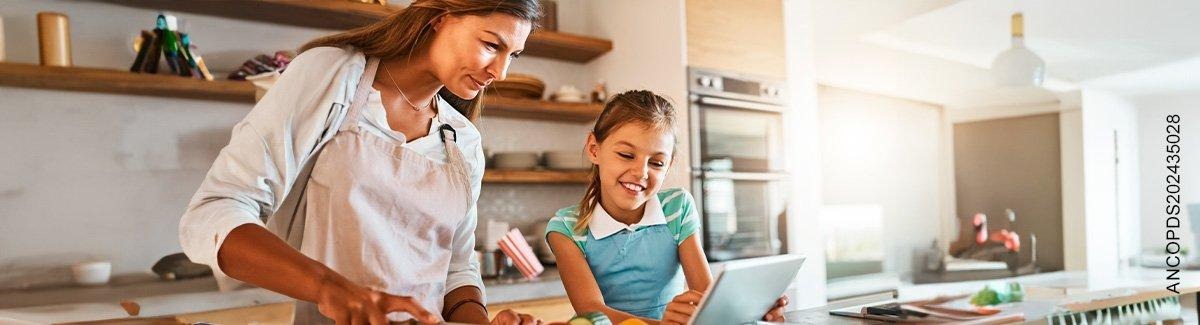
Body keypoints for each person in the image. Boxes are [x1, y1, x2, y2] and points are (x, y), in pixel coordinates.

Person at [178, 1, 544, 323]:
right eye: (491, 45)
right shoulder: (334, 76)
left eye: (513, 55)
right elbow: (214, 212)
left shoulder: (463, 140)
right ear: (439, 18)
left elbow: (456, 269)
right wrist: (329, 288)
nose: (501, 72)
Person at [544, 91, 788, 324]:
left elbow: (705, 296)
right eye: (627, 155)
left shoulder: (677, 207)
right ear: (594, 149)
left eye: (657, 162)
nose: (640, 172)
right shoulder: (566, 228)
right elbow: (591, 311)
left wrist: (750, 311)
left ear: (669, 164)